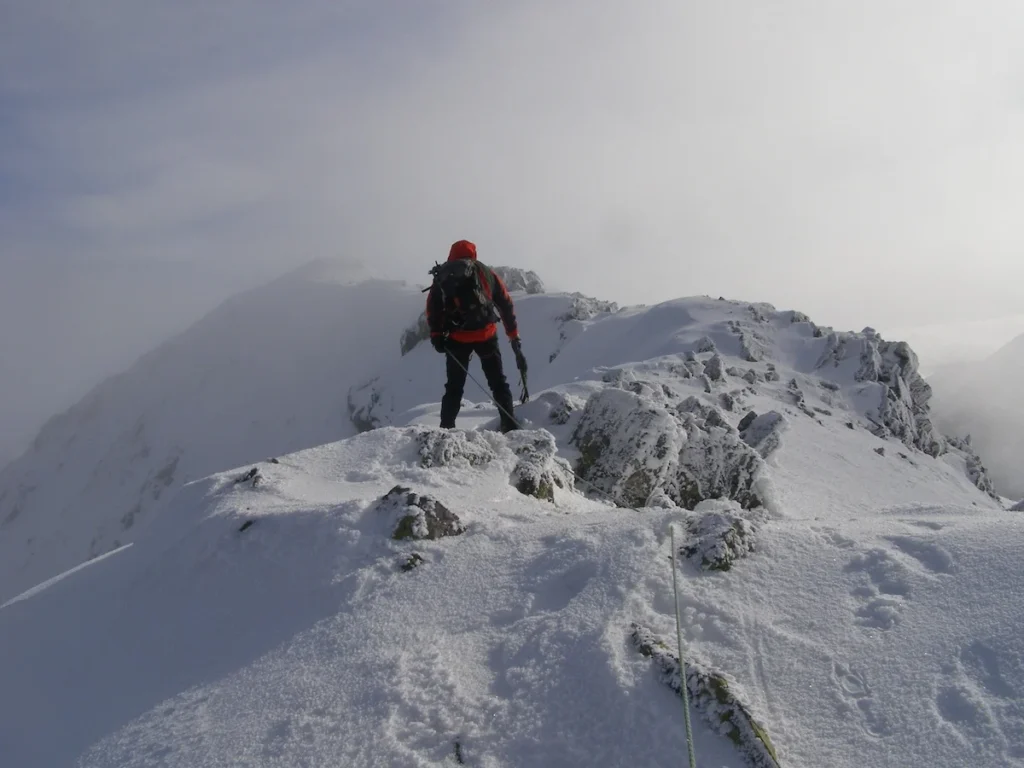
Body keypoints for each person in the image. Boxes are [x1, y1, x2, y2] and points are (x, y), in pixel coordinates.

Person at [426, 240, 526, 432]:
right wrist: (513, 335)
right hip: (486, 336)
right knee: (498, 382)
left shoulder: (444, 274)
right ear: (474, 254)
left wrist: (436, 334)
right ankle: (509, 424)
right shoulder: (486, 273)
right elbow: (505, 304)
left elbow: (433, 307)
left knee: (454, 387)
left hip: (457, 339)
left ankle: (446, 429)